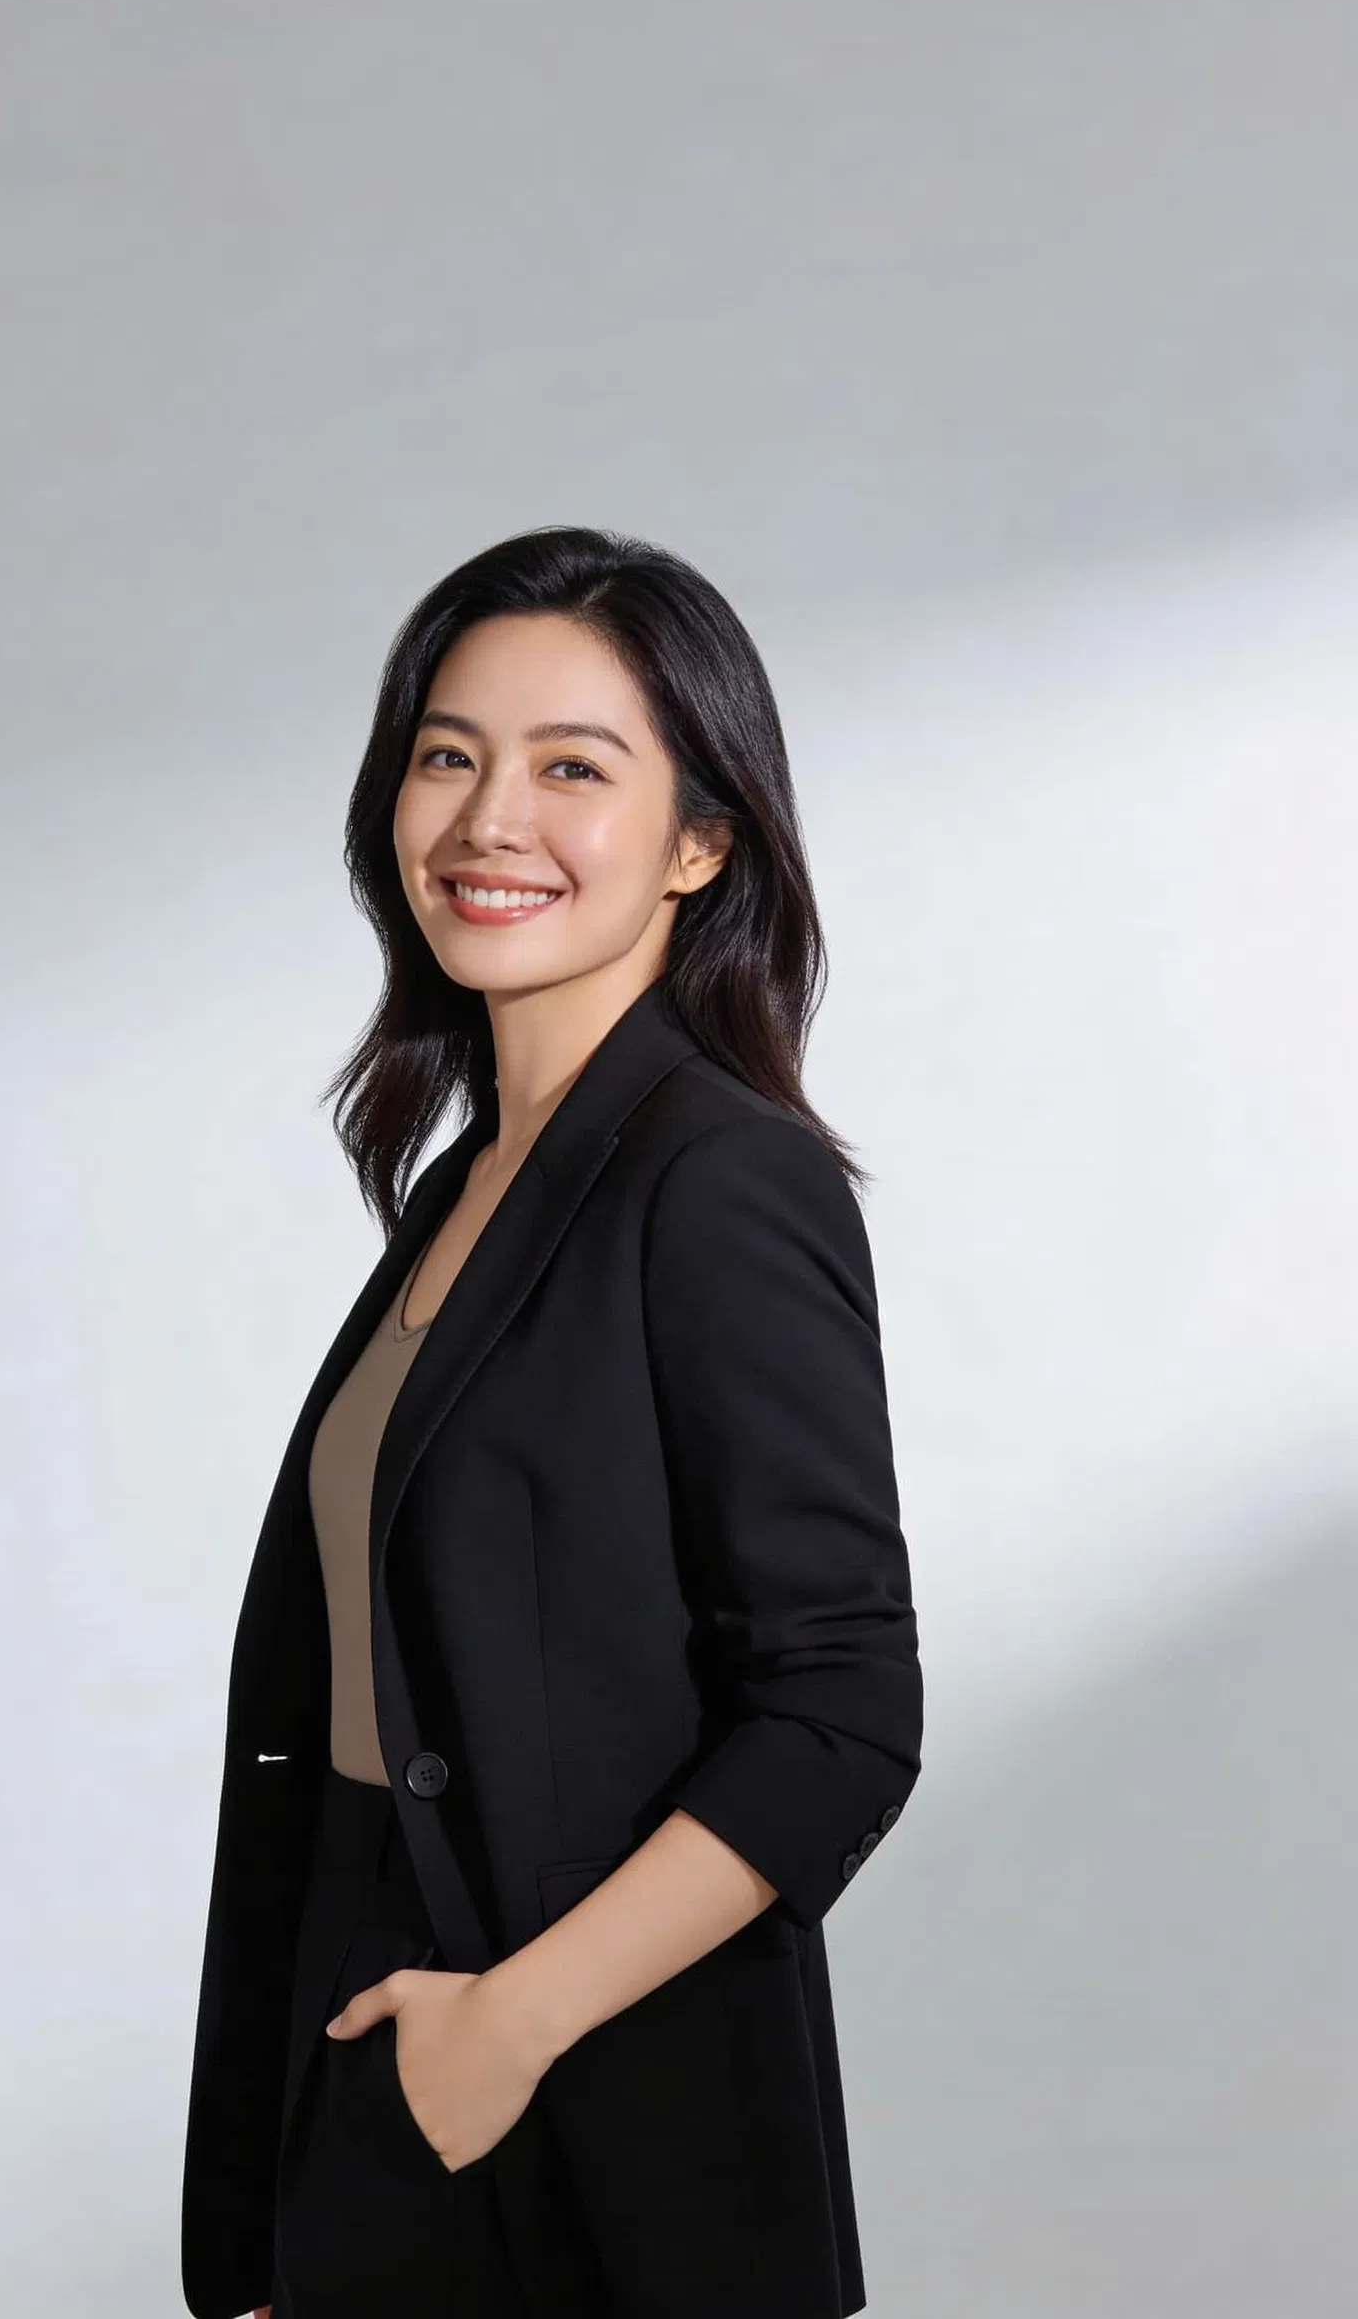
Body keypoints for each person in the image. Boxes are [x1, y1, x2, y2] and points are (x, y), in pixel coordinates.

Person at [180, 524, 923, 2319]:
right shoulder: (466, 1188)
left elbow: (839, 1715)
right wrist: (283, 2166)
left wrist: (506, 2029)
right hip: (368, 2012)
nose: (487, 818)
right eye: (449, 754)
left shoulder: (722, 1179)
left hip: (597, 2080)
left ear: (700, 840)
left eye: (572, 768)